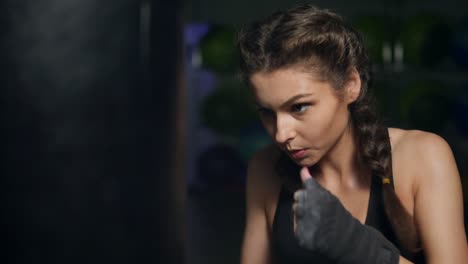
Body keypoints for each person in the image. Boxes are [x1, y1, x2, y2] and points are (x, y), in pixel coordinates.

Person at [237, 4, 468, 264]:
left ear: (351, 85)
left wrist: (354, 243)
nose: (281, 134)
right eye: (267, 112)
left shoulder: (421, 156)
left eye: (299, 107)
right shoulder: (265, 167)